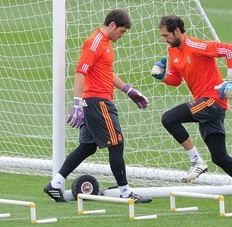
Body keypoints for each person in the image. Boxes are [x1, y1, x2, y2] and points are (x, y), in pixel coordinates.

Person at [151, 15, 232, 212]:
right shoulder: (172, 51)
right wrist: (162, 76)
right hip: (206, 106)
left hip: (212, 101)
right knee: (220, 157)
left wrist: (231, 79)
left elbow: (231, 50)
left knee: (169, 119)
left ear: (177, 31)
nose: (165, 39)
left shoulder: (197, 45)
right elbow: (176, 79)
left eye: (166, 35)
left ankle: (196, 161)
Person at [44, 9, 152, 203]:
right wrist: (77, 102)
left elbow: (106, 73)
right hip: (98, 103)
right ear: (112, 25)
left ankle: (55, 184)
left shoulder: (106, 44)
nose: (122, 35)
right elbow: (80, 72)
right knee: (117, 144)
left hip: (96, 102)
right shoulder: (94, 43)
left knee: (87, 147)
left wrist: (129, 90)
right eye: (121, 31)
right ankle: (126, 192)